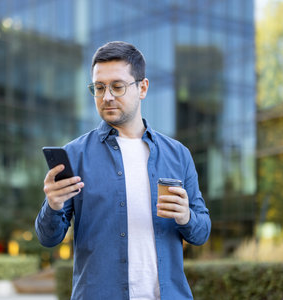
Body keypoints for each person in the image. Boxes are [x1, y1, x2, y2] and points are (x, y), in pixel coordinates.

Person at [35, 41, 211, 299]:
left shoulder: (178, 155)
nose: (107, 96)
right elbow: (48, 238)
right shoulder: (75, 155)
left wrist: (186, 217)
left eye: (117, 86)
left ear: (143, 88)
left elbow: (202, 231)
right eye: (99, 88)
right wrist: (53, 205)